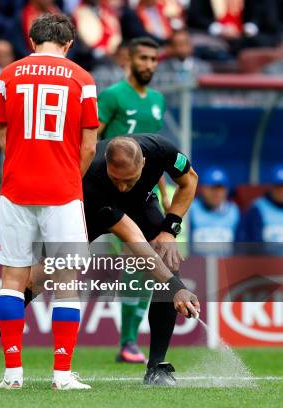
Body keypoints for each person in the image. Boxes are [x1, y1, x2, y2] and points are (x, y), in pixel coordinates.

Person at [0, 134, 200, 387]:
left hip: (142, 204)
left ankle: (156, 368)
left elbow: (190, 181)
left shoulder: (161, 150)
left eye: (129, 180)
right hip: (90, 212)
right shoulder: (91, 177)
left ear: (144, 164)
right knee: (32, 282)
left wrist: (169, 229)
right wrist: (177, 288)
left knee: (168, 259)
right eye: (116, 179)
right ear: (106, 166)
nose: (123, 186)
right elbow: (134, 239)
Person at [0, 13, 99, 390]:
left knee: (12, 279)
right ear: (68, 44)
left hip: (17, 188)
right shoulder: (83, 80)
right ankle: (61, 375)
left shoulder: (7, 75)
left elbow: (4, 135)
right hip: (62, 191)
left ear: (31, 41)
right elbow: (89, 145)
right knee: (66, 280)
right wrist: (69, 177)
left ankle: (12, 374)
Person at [96, 36, 169, 363]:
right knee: (136, 261)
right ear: (128, 59)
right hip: (113, 193)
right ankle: (128, 342)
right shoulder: (112, 96)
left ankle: (131, 342)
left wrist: (163, 191)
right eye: (143, 58)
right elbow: (90, 142)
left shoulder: (157, 100)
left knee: (152, 264)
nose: (149, 65)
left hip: (146, 194)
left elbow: (154, 154)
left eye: (154, 59)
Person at [189, 166, 240, 256]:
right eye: (212, 188)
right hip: (196, 265)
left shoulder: (233, 211)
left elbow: (241, 246)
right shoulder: (191, 208)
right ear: (202, 188)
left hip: (225, 265)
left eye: (220, 188)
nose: (216, 193)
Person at [238, 165, 283, 251]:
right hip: (267, 261)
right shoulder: (258, 208)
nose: (282, 191)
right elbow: (254, 245)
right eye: (278, 187)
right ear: (271, 187)